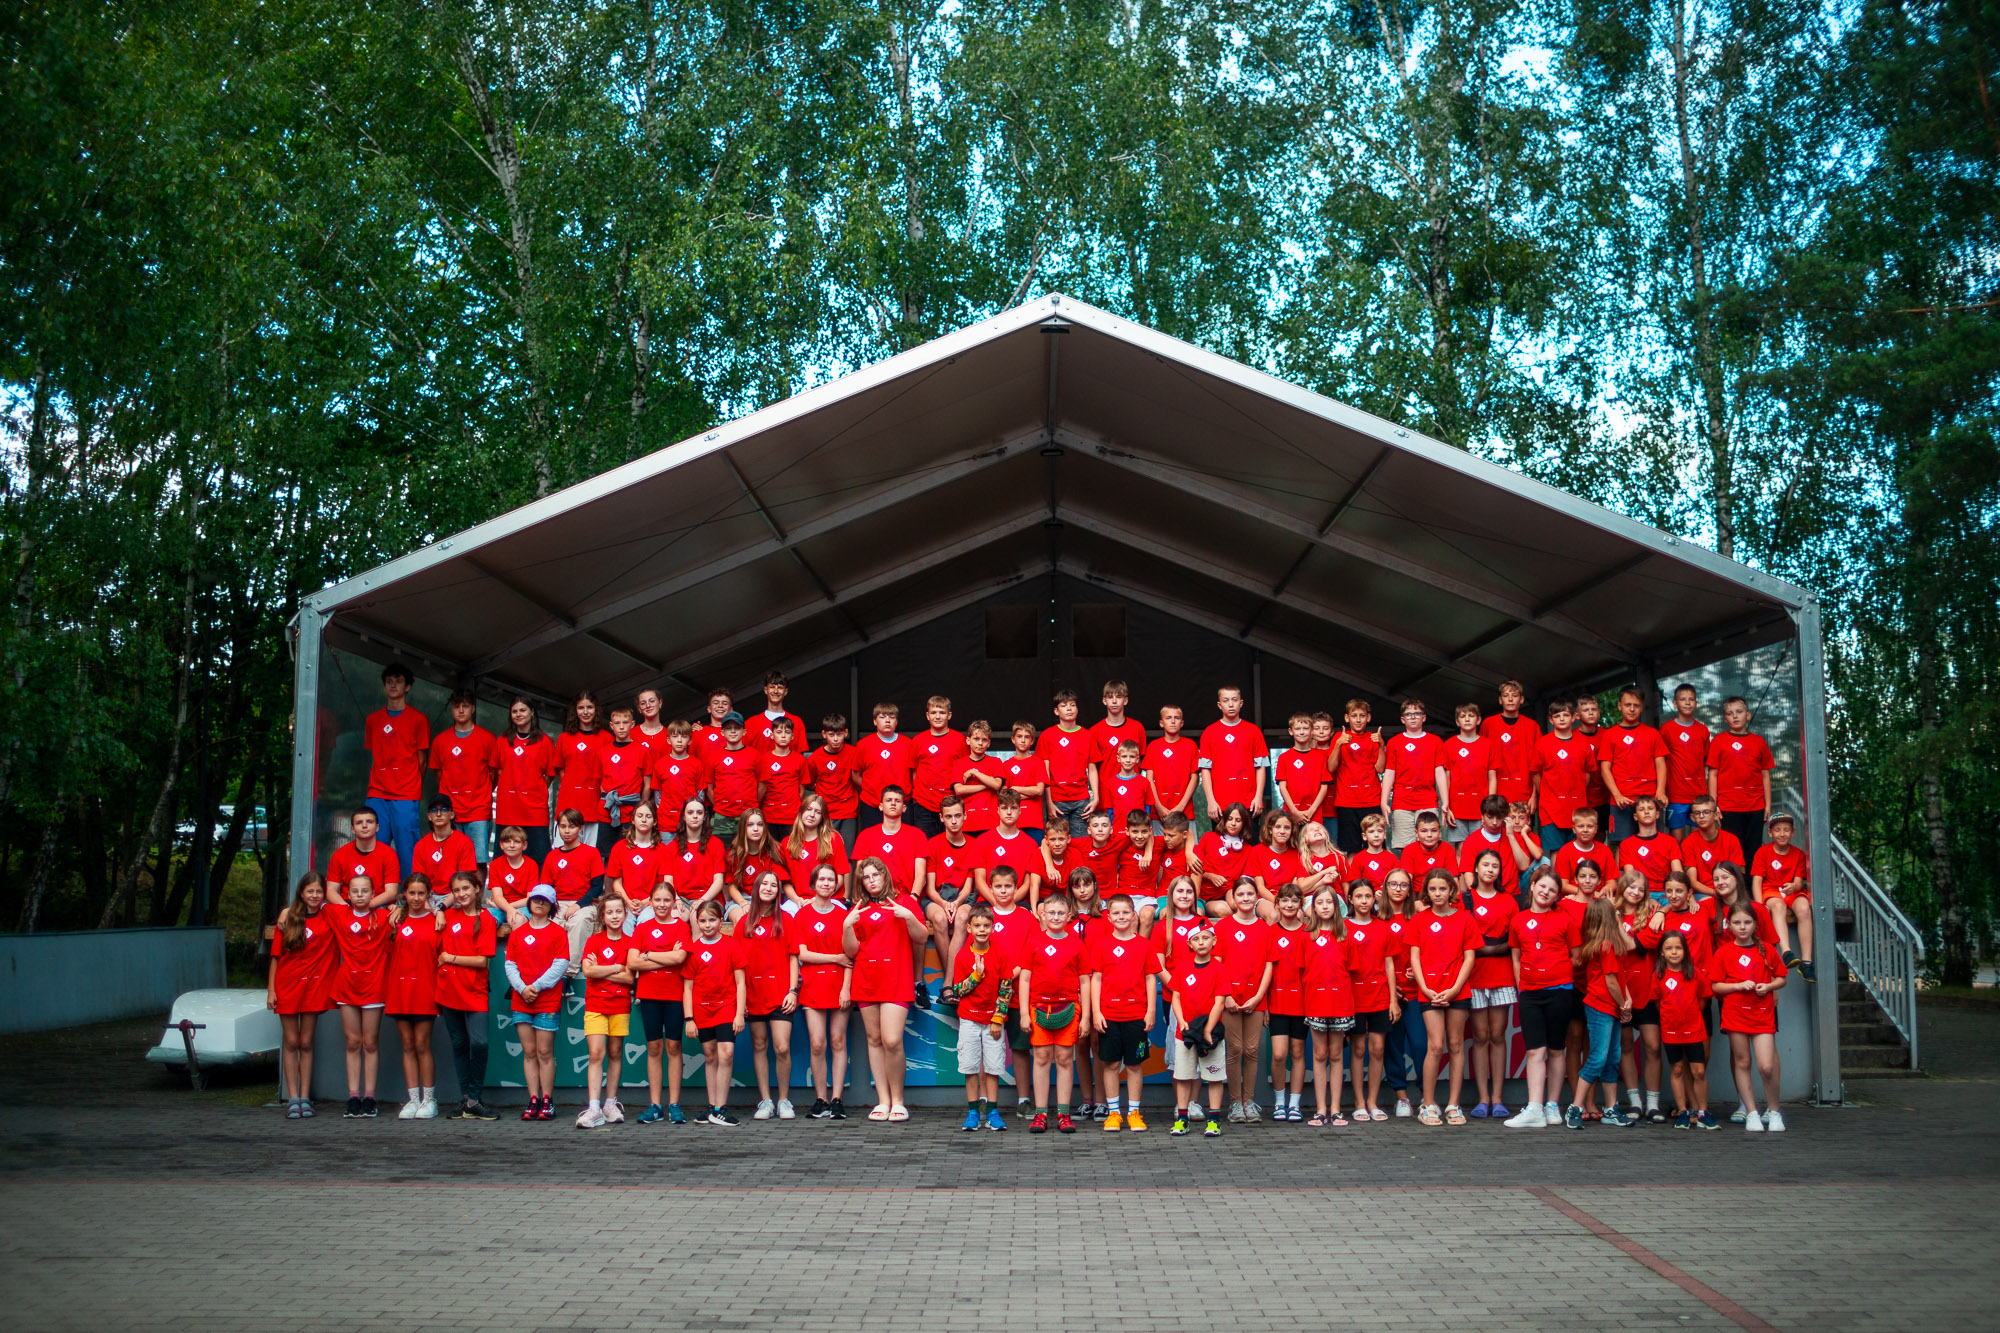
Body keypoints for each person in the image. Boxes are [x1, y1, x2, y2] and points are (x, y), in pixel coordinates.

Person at [844, 857, 926, 1121]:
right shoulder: (859, 908)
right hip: (867, 978)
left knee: (892, 1040)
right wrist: (847, 926)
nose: (871, 880)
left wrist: (909, 917)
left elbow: (922, 937)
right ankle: (883, 1101)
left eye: (875, 875)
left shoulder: (905, 902)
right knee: (874, 1040)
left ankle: (899, 1101)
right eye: (866, 877)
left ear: (884, 875)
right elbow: (851, 951)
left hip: (896, 979)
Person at [1505, 868, 1580, 1128]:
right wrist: (1522, 985)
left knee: (1556, 1049)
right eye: (1542, 886)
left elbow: (1576, 955)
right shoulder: (1518, 919)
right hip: (1530, 992)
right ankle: (1534, 1108)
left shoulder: (1564, 919)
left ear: (1557, 896)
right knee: (1534, 1050)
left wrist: (1557, 972)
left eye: (1552, 890)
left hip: (1560, 991)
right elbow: (1515, 956)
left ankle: (1552, 1105)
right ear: (1533, 885)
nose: (1546, 892)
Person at [1710, 898, 1789, 1131]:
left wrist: (1769, 986)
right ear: (1729, 925)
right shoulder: (1723, 952)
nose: (1742, 927)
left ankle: (1774, 1111)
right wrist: (1737, 986)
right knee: (1742, 1061)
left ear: (1755, 924)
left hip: (1762, 1014)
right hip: (1735, 1014)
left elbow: (1782, 978)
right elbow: (1715, 986)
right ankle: (1751, 1112)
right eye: (1737, 922)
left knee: (1766, 1066)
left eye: (1747, 922)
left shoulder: (1767, 949)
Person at [852, 786, 932, 1007]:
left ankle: (917, 982)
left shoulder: (916, 835)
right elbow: (860, 872)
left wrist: (913, 898)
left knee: (916, 925)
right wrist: (863, 899)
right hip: (874, 898)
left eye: (898, 800)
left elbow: (921, 873)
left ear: (905, 808)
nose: (893, 803)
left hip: (905, 896)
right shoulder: (866, 835)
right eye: (889, 800)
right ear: (880, 806)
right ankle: (864, 987)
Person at [1409, 868, 1476, 1126]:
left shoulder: (1465, 918)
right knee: (1435, 1046)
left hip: (1457, 990)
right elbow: (1415, 957)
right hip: (1429, 991)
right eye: (1432, 889)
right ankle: (1428, 1104)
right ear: (1426, 892)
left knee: (1456, 1045)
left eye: (1442, 889)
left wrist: (1455, 989)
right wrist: (1425, 989)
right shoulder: (1419, 920)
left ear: (1451, 891)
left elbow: (1469, 958)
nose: (1438, 893)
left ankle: (1453, 1105)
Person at [789, 863, 855, 1119]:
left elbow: (849, 956)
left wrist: (846, 988)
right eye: (822, 880)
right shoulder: (802, 915)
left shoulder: (843, 915)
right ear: (813, 884)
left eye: (831, 880)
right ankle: (821, 1099)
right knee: (817, 1043)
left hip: (839, 986)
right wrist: (835, 958)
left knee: (838, 1041)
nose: (826, 883)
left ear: (836, 884)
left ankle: (837, 1099)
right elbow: (803, 954)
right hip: (812, 985)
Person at [324, 873, 393, 1118]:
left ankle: (370, 1097)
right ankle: (353, 1097)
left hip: (374, 986)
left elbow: (410, 911)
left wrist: (396, 907)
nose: (360, 895)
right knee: (352, 1042)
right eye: (355, 891)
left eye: (365, 891)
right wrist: (286, 912)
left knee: (370, 1042)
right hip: (347, 986)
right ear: (347, 894)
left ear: (374, 894)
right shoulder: (337, 913)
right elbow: (309, 906)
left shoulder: (384, 916)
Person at [268, 873, 336, 1119]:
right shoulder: (289, 918)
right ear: (301, 893)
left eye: (319, 891)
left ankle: (305, 1098)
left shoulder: (329, 915)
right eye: (310, 891)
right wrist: (271, 990)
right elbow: (276, 957)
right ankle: (292, 1098)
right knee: (291, 1041)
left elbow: (352, 910)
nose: (314, 896)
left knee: (306, 1042)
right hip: (287, 986)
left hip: (314, 988)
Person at [1088, 894, 1158, 1132]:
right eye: (1116, 913)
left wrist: (1150, 1011)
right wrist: (1096, 1012)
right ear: (1108, 917)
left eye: (1126, 912)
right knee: (1110, 1064)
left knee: (1135, 1065)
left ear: (1134, 915)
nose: (1121, 917)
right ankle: (1114, 1113)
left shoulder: (1144, 945)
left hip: (1136, 1015)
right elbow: (1096, 980)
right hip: (1109, 1016)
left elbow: (1150, 979)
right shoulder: (1101, 945)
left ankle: (1134, 1113)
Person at [1020, 892, 1088, 1134]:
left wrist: (1086, 1017)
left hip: (1069, 1008)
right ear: (1042, 915)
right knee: (1041, 1058)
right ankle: (1040, 1114)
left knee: (1064, 1059)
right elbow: (1025, 979)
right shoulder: (1033, 942)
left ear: (1069, 916)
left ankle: (1063, 1114)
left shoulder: (1077, 944)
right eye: (1051, 913)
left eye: (1061, 913)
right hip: (1038, 1008)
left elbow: (1085, 981)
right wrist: (1024, 1013)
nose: (1056, 917)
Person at [1567, 897, 1638, 1128]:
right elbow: (1611, 982)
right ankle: (1575, 1108)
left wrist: (1625, 1001)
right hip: (1601, 1006)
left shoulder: (1606, 942)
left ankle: (1610, 1109)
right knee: (1597, 1058)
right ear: (1610, 918)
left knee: (1612, 1058)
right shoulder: (1606, 945)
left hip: (1610, 1006)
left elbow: (1622, 968)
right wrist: (1624, 1003)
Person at [434, 870, 499, 1120]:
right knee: (459, 1044)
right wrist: (440, 909)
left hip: (474, 990)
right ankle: (467, 1101)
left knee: (479, 1043)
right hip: (448, 989)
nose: (461, 894)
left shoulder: (486, 919)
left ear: (477, 889)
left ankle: (474, 1097)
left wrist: (450, 958)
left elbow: (482, 961)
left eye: (465, 888)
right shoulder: (447, 916)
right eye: (456, 890)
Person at [735, 870, 800, 1120]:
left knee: (782, 1047)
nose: (768, 888)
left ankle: (784, 1100)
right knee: (759, 1045)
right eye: (764, 883)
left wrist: (793, 990)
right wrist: (741, 1001)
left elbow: (793, 958)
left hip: (781, 994)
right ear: (756, 888)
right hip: (753, 995)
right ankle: (765, 1101)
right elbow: (737, 965)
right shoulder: (744, 923)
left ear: (778, 891)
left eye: (773, 885)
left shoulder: (787, 920)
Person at [941, 901, 1011, 1131]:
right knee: (970, 1067)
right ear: (969, 928)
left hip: (993, 1022)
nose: (982, 930)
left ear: (993, 927)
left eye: (986, 925)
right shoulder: (962, 956)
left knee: (993, 1068)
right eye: (977, 926)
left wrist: (998, 1019)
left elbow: (1006, 988)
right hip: (969, 1020)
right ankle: (973, 1111)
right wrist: (976, 977)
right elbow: (958, 990)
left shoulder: (1001, 953)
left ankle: (992, 1111)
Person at [627, 882, 691, 1125]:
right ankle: (655, 1105)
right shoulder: (642, 928)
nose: (662, 905)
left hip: (674, 994)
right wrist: (667, 957)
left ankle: (674, 1104)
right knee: (654, 1048)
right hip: (649, 993)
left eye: (667, 900)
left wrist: (648, 954)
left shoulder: (681, 927)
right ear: (651, 902)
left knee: (674, 1047)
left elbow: (680, 957)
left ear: (674, 902)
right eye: (658, 900)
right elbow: (632, 963)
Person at [681, 899, 747, 1126]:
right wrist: (689, 1018)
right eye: (702, 921)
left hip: (726, 1008)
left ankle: (721, 1108)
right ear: (697, 923)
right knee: (710, 1056)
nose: (707, 925)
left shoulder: (731, 945)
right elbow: (688, 987)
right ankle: (712, 1107)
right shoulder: (693, 950)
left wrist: (739, 1014)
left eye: (712, 920)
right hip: (702, 1010)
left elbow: (740, 982)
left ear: (721, 921)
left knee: (726, 1054)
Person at [505, 885, 568, 1121]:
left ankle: (547, 1100)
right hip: (521, 1000)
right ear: (529, 902)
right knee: (529, 1052)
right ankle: (533, 1099)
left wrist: (536, 987)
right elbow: (510, 964)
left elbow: (561, 964)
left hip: (547, 1000)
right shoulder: (517, 933)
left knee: (544, 1051)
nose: (540, 903)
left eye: (545, 900)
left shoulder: (557, 932)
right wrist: (522, 988)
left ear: (552, 906)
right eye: (536, 899)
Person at [1463, 846, 1517, 1120]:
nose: (1490, 869)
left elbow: (1514, 941)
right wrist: (1489, 948)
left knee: (1498, 1035)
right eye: (1485, 864)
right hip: (1473, 976)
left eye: (1495, 866)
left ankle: (1498, 1098)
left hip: (1502, 975)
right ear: (1476, 868)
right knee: (1480, 1036)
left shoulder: (1509, 902)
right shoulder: (1464, 899)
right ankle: (1482, 1098)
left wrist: (1489, 948)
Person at [1214, 878, 1274, 1122]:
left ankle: (1249, 1101)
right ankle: (1235, 1103)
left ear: (1256, 897)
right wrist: (1225, 995)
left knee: (1251, 1050)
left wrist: (1259, 997)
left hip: (1255, 999)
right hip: (1229, 999)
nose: (1246, 898)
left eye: (1250, 894)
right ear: (1233, 898)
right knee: (1234, 1050)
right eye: (1241, 894)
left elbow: (1269, 966)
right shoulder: (1223, 926)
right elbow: (1217, 965)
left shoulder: (1265, 929)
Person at [362, 662, 430, 876]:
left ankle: (409, 892)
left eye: (398, 681)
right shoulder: (373, 720)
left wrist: (409, 784)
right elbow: (374, 755)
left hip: (406, 794)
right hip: (377, 793)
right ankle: (374, 891)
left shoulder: (418, 719)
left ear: (407, 687)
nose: (393, 685)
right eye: (389, 681)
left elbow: (422, 761)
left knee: (407, 849)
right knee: (374, 846)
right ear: (384, 686)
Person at [384, 873, 442, 1119]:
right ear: (404, 895)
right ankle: (413, 1100)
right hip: (399, 991)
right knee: (407, 1045)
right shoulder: (395, 920)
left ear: (428, 894)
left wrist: (439, 911)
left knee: (421, 1044)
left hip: (425, 991)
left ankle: (430, 1100)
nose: (416, 898)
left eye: (421, 893)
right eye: (412, 893)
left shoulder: (438, 921)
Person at [576, 894, 636, 1128]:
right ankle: (594, 1108)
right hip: (596, 1005)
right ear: (602, 915)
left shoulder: (631, 942)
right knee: (596, 1054)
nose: (614, 916)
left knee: (615, 1053)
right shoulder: (594, 941)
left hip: (620, 1005)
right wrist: (616, 967)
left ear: (625, 914)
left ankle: (610, 1104)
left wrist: (602, 969)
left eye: (618, 911)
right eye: (609, 912)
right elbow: (588, 972)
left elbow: (630, 978)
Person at [1342, 879, 1398, 1121]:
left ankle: (1373, 1102)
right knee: (1358, 1049)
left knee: (1377, 1049)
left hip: (1379, 996)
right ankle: (1359, 1102)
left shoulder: (1383, 927)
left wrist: (1393, 1000)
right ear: (1350, 900)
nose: (1364, 901)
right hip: (1353, 998)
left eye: (1367, 896)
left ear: (1374, 899)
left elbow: (1389, 965)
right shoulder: (1343, 927)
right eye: (1358, 896)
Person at [1166, 918, 1227, 1138]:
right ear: (1189, 944)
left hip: (1211, 1034)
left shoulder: (1219, 969)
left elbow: (1220, 1002)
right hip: (1185, 1033)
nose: (1201, 942)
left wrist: (1208, 1029)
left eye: (1205, 938)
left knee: (1214, 1077)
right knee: (1183, 1076)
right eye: (1196, 939)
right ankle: (1183, 1119)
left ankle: (1214, 1121)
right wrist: (1181, 1020)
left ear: (1214, 941)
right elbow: (1176, 997)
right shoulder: (1182, 967)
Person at [1614, 870, 1667, 1122]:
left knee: (1653, 1047)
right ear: (1622, 887)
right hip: (1619, 990)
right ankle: (1635, 1102)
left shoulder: (1652, 917)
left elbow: (1629, 945)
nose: (1635, 892)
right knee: (1626, 1046)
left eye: (1641, 889)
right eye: (1631, 887)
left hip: (1646, 989)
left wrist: (1662, 910)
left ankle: (1653, 1104)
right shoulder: (1610, 911)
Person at [1303, 885, 1356, 1126]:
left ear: (1337, 906)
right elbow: (1302, 972)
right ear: (1313, 907)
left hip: (1340, 1003)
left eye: (1329, 902)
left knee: (1336, 1054)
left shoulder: (1345, 935)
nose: (1325, 906)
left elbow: (1351, 971)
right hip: (1315, 1003)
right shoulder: (1306, 936)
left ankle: (1335, 1109)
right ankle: (1320, 1109)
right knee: (1319, 1053)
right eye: (1320, 902)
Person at [1655, 930, 1719, 1129]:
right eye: (1669, 948)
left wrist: (1689, 1015)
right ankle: (1682, 1112)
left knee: (1698, 1071)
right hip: (1671, 1032)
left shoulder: (1695, 974)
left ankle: (1702, 1112)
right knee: (1677, 1069)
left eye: (1678, 948)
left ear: (1685, 951)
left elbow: (1702, 999)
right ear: (1662, 952)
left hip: (1694, 1031)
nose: (1674, 952)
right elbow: (1658, 1002)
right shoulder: (1658, 975)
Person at [429, 690, 498, 864]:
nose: (461, 710)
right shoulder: (440, 740)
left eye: (465, 706)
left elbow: (495, 774)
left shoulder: (487, 739)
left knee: (478, 861)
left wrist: (481, 791)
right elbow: (438, 773)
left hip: (478, 809)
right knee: (451, 861)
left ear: (473, 708)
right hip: (449, 810)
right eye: (456, 706)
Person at [1263, 883, 1312, 1120]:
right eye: (1284, 900)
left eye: (1294, 900)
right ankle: (1279, 1102)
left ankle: (1294, 1104)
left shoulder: (1308, 933)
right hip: (1277, 1003)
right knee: (1279, 1054)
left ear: (1301, 904)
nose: (1289, 905)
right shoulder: (1269, 933)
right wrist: (1264, 1005)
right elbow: (1264, 972)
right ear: (1277, 904)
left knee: (1298, 1051)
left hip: (1302, 1004)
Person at [1707, 696, 1776, 856]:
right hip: (1728, 806)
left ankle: (1751, 875)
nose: (1735, 716)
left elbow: (1765, 775)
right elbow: (1713, 775)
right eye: (1730, 713)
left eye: (1739, 712)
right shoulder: (1718, 741)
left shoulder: (1758, 742)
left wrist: (1768, 805)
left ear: (1748, 715)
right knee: (1732, 851)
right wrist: (1714, 805)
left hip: (1755, 805)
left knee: (1753, 850)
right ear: (1725, 719)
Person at [1599, 686, 1668, 843]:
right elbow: (1605, 768)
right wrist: (1616, 794)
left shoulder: (1653, 734)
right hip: (1622, 799)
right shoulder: (1609, 735)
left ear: (1641, 707)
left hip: (1649, 799)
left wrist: (1660, 791)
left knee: (1653, 842)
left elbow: (1661, 765)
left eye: (1636, 705)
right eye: (1627, 705)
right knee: (1623, 844)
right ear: (1619, 706)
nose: (1632, 709)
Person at [1753, 811, 1816, 981]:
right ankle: (1787, 952)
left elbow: (1798, 882)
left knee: (1804, 908)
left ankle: (1807, 962)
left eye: (1786, 830)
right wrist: (1759, 905)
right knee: (1778, 906)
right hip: (1771, 890)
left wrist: (1794, 886)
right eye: (1778, 830)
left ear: (1792, 832)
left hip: (1791, 891)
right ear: (1770, 833)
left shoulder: (1798, 854)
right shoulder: (1763, 852)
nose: (1782, 834)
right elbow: (1757, 881)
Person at [1380, 699, 1450, 852]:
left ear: (1423, 717)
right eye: (1408, 714)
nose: (1412, 717)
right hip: (1402, 801)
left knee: (1429, 845)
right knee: (1405, 849)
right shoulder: (1394, 742)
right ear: (1402, 719)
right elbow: (1390, 773)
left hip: (1428, 800)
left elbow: (1440, 773)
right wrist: (1384, 801)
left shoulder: (1435, 741)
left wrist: (1445, 802)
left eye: (1416, 713)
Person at [541, 808, 606, 968]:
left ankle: (567, 972)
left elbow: (597, 887)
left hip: (584, 903)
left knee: (579, 921)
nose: (567, 831)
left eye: (571, 826)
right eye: (563, 826)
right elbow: (546, 888)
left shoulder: (591, 853)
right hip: (557, 904)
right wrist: (552, 907)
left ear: (580, 828)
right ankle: (546, 969)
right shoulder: (552, 856)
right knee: (549, 925)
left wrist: (577, 905)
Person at [494, 698, 557, 860]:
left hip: (535, 810)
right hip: (508, 808)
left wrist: (535, 786)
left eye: (522, 710)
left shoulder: (544, 741)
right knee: (504, 860)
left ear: (532, 712)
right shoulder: (502, 740)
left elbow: (550, 773)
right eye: (514, 711)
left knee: (539, 859)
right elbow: (497, 769)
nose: (518, 714)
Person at [1198, 685, 1265, 832]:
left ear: (1241, 703)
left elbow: (1260, 767)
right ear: (1219, 705)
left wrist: (1259, 797)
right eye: (1226, 700)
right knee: (1220, 845)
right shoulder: (1209, 732)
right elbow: (1205, 770)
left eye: (1234, 700)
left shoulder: (1254, 731)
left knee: (1251, 844)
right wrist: (1210, 801)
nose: (1230, 704)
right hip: (1220, 805)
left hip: (1250, 804)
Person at [1531, 700, 1592, 852]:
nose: (1562, 719)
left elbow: (1587, 772)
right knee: (1556, 851)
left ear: (1574, 717)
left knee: (1577, 849)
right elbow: (1535, 773)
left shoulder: (1584, 743)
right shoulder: (1542, 743)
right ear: (1551, 720)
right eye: (1557, 716)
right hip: (1550, 808)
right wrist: (1545, 793)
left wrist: (1578, 790)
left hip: (1577, 807)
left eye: (1566, 715)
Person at [554, 690, 610, 851]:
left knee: (591, 853)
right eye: (581, 708)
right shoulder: (564, 738)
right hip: (569, 802)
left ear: (596, 710)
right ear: (575, 711)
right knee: (563, 852)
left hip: (594, 804)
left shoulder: (607, 738)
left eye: (589, 707)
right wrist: (572, 785)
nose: (585, 712)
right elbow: (560, 769)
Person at [1037, 689, 1098, 836]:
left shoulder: (1087, 735)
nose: (1069, 709)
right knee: (1057, 841)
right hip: (1057, 800)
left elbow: (1092, 769)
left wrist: (1096, 797)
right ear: (1056, 711)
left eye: (1072, 705)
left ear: (1077, 709)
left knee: (1081, 842)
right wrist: (1048, 802)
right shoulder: (1047, 736)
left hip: (1082, 799)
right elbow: (1044, 772)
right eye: (1064, 705)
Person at [907, 695, 968, 838]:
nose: (938, 716)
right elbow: (914, 771)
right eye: (933, 712)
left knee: (950, 844)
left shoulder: (959, 739)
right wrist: (919, 796)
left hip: (951, 803)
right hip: (924, 804)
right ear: (927, 716)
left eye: (942, 712)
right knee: (924, 845)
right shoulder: (918, 740)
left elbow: (965, 769)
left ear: (949, 715)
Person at [1329, 699, 1383, 853]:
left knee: (1374, 846)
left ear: (1368, 718)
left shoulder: (1373, 738)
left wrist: (1381, 745)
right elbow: (1331, 767)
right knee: (1351, 848)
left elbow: (1380, 769)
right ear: (1347, 718)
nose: (1358, 720)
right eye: (1354, 716)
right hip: (1346, 801)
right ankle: (1353, 871)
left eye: (1362, 715)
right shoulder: (1339, 737)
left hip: (1371, 800)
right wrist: (1338, 744)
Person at [1480, 680, 1541, 814]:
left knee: (1522, 827)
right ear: (1500, 700)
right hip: (1496, 794)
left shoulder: (1532, 726)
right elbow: (1481, 761)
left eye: (1515, 695)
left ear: (1522, 699)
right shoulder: (1488, 724)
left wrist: (1534, 795)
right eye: (1506, 695)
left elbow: (1537, 765)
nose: (1510, 699)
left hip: (1524, 794)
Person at [780, 792, 851, 907]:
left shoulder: (833, 839)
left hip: (830, 898)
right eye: (808, 809)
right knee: (785, 915)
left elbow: (839, 877)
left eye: (818, 812)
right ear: (801, 812)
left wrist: (817, 899)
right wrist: (798, 900)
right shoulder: (787, 843)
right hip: (797, 900)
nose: (812, 815)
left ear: (823, 817)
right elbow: (786, 882)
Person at [855, 703, 916, 833]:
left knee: (904, 841)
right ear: (874, 721)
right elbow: (855, 774)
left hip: (902, 804)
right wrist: (871, 789)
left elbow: (914, 773)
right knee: (872, 841)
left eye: (892, 717)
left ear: (896, 721)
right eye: (882, 717)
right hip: (872, 804)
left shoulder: (908, 744)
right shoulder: (863, 745)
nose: (887, 721)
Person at [604, 800, 670, 918]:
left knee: (646, 919)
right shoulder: (619, 848)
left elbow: (664, 884)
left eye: (648, 816)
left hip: (652, 904)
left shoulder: (662, 850)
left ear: (654, 821)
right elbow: (617, 883)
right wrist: (628, 902)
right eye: (640, 816)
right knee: (624, 922)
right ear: (633, 820)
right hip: (625, 903)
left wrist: (646, 902)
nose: (643, 820)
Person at [1441, 704, 1494, 846]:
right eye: (1463, 716)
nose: (1467, 719)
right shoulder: (1449, 744)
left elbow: (1492, 777)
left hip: (1481, 808)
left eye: (1471, 716)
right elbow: (1446, 778)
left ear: (1479, 720)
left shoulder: (1488, 744)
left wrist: (1490, 807)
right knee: (1460, 848)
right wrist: (1448, 807)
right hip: (1457, 809)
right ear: (1457, 722)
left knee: (1483, 848)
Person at [1660, 684, 1711, 831]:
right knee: (1676, 839)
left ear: (1696, 703)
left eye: (1691, 699)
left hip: (1698, 794)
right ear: (1675, 704)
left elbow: (1707, 760)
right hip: (1676, 795)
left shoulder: (1703, 730)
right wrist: (1662, 791)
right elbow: (1660, 762)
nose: (1687, 703)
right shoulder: (1666, 729)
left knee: (1698, 839)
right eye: (1683, 699)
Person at [326, 807, 400, 908]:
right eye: (359, 822)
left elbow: (392, 892)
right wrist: (347, 909)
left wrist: (364, 908)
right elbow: (330, 890)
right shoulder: (340, 854)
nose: (364, 826)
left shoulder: (389, 854)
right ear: (352, 829)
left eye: (369, 822)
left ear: (377, 827)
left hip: (378, 906)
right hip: (348, 906)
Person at [664, 797, 727, 915]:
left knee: (698, 917)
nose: (695, 816)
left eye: (699, 812)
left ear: (704, 817)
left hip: (709, 899)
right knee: (673, 918)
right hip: (681, 899)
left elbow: (719, 880)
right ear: (684, 816)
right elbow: (668, 881)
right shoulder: (672, 847)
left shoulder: (716, 844)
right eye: (690, 812)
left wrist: (702, 900)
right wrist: (676, 899)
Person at [597, 705, 649, 845]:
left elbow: (647, 784)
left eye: (625, 723)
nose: (621, 727)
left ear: (632, 724)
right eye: (617, 723)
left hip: (631, 811)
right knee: (606, 852)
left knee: (629, 849)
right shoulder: (603, 752)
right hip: (607, 810)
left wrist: (641, 808)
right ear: (611, 726)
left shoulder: (642, 751)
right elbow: (598, 782)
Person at [1089, 680, 1146, 806]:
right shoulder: (1095, 731)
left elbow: (1141, 761)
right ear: (1104, 701)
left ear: (1125, 700)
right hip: (1105, 792)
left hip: (1133, 791)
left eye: (1119, 697)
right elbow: (1092, 766)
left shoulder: (1137, 728)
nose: (1114, 701)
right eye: (1110, 697)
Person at [645, 720, 709, 832]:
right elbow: (657, 794)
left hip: (690, 821)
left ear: (690, 741)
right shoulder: (660, 764)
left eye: (684, 737)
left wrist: (695, 811)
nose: (679, 740)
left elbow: (700, 793)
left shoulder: (697, 764)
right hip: (666, 822)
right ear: (668, 740)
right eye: (675, 736)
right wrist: (662, 812)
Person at [707, 712, 761, 844]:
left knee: (749, 851)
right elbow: (708, 786)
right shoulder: (714, 756)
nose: (732, 731)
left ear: (744, 731)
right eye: (728, 728)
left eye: (737, 728)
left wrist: (752, 804)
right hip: (722, 816)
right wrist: (719, 805)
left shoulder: (755, 755)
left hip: (748, 815)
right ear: (722, 732)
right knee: (720, 851)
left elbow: (763, 785)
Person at [1142, 704, 1198, 830]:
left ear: (1182, 723)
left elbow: (1195, 778)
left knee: (1188, 843)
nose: (1173, 721)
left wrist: (1181, 806)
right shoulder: (1153, 747)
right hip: (1158, 813)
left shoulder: (1191, 746)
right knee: (1158, 843)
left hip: (1185, 811)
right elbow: (1149, 779)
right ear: (1161, 723)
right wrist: (1158, 806)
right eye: (1168, 718)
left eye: (1176, 718)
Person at [1680, 795, 1746, 897]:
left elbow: (1738, 875)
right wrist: (1717, 894)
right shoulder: (1688, 843)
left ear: (1716, 815)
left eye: (1706, 812)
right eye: (1697, 813)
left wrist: (1726, 893)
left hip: (1729, 891)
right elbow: (1693, 882)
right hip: (1703, 894)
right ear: (1693, 818)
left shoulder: (1731, 840)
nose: (1701, 816)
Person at [1615, 796, 1681, 897]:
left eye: (1650, 808)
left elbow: (1678, 873)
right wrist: (1646, 898)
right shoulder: (1627, 844)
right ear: (1635, 817)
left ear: (1657, 814)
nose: (1646, 812)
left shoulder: (1670, 841)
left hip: (1667, 893)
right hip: (1639, 893)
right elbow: (1630, 877)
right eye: (1641, 809)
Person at [1194, 802, 1253, 913]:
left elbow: (1245, 879)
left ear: (1244, 823)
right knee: (1223, 910)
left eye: (1238, 820)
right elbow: (1194, 868)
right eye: (1230, 819)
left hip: (1230, 890)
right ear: (1224, 820)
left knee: (1238, 904)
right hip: (1208, 894)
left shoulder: (1248, 849)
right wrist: (1210, 876)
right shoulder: (1208, 838)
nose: (1233, 823)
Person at [1273, 712, 1329, 829]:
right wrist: (1295, 812)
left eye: (1305, 728)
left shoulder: (1320, 758)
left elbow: (1324, 787)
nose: (1302, 732)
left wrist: (1311, 811)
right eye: (1298, 729)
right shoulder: (1284, 758)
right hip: (1291, 814)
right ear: (1291, 731)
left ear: (1312, 731)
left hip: (1314, 814)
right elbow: (1282, 787)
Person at [413, 798, 478, 898]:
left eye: (443, 809)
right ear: (429, 816)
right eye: (434, 810)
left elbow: (466, 882)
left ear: (452, 814)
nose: (439, 814)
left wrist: (444, 905)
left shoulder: (464, 842)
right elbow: (419, 881)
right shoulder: (421, 845)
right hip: (428, 896)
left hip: (456, 896)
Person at [724, 810, 784, 917]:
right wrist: (744, 904)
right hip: (741, 899)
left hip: (768, 898)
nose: (756, 829)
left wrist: (763, 904)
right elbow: (732, 887)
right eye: (750, 825)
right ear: (743, 828)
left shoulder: (775, 850)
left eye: (760, 825)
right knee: (742, 918)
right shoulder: (734, 853)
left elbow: (777, 883)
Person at [953, 720, 1006, 835]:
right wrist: (986, 785)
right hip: (966, 822)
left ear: (989, 743)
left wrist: (974, 773)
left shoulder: (996, 762)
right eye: (976, 739)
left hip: (990, 822)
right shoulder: (959, 764)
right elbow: (959, 790)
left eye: (984, 740)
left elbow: (997, 785)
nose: (980, 743)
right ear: (968, 740)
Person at [1000, 720, 1049, 844]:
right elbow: (1004, 795)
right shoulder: (1006, 765)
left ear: (1032, 741)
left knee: (1035, 853)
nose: (1023, 740)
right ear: (1013, 739)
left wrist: (1015, 789)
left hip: (1034, 822)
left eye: (1027, 737)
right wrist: (1030, 793)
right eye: (1019, 736)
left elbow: (1039, 790)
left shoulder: (1038, 762)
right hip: (1013, 821)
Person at [485, 825, 539, 921]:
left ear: (524, 845)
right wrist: (508, 908)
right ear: (501, 845)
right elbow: (497, 896)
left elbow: (530, 898)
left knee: (516, 919)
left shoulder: (531, 865)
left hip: (523, 907)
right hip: (501, 907)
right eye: (507, 841)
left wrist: (508, 908)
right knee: (484, 918)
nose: (512, 845)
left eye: (516, 842)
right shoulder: (495, 865)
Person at [745, 670, 805, 755]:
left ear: (785, 691)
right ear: (766, 690)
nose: (776, 691)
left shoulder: (797, 722)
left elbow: (800, 757)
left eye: (780, 687)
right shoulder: (750, 723)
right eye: (772, 687)